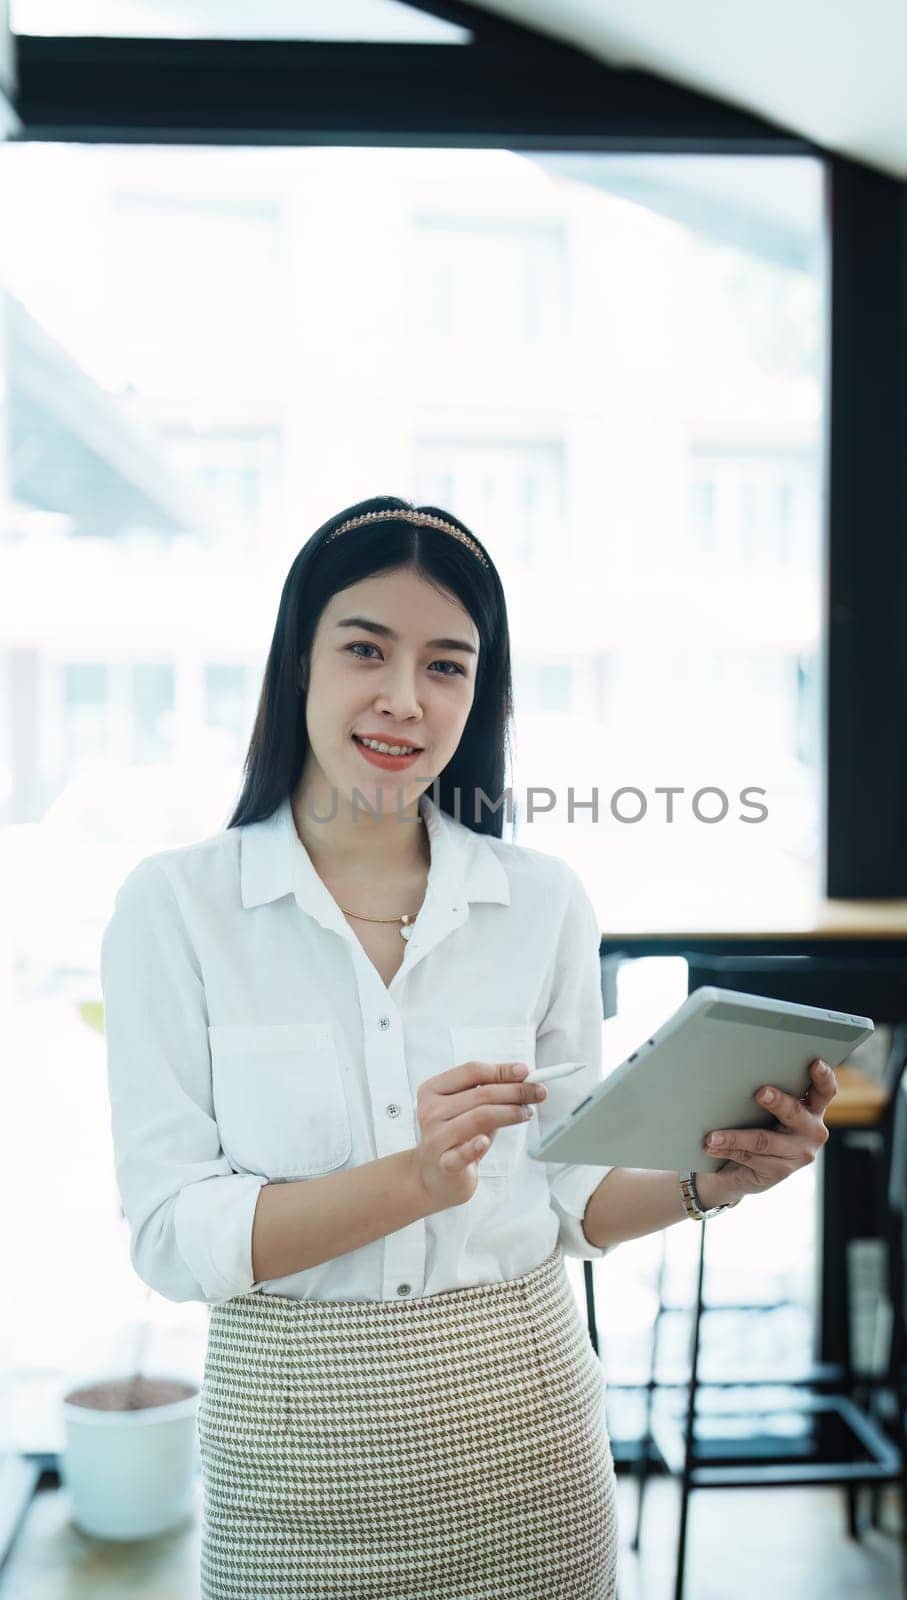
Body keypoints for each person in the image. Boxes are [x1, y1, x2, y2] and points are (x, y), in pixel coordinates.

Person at [100, 494, 837, 1600]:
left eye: (446, 665)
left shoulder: (538, 903)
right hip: (295, 1479)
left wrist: (708, 1181)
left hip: (529, 1453)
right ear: (298, 659)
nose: (403, 698)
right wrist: (410, 1180)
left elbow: (571, 1199)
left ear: (478, 693)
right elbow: (169, 1235)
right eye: (366, 649)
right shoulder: (177, 907)